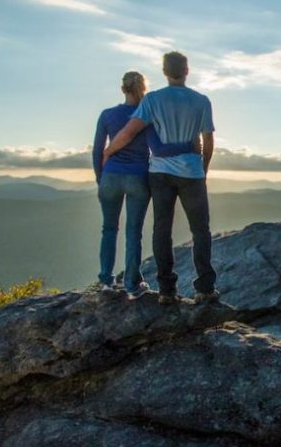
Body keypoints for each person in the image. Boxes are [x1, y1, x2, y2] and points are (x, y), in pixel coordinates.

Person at [103, 52, 218, 305]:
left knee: (162, 229)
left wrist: (108, 151)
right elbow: (208, 140)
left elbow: (128, 132)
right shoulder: (201, 101)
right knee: (200, 229)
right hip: (192, 172)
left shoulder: (153, 100)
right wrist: (204, 169)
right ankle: (205, 288)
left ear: (165, 72)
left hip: (160, 173)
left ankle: (167, 290)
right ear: (187, 71)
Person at [92, 71, 198, 299]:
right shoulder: (147, 116)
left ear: (123, 89)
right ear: (144, 89)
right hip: (138, 177)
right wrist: (187, 146)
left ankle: (106, 281)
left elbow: (97, 150)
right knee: (133, 232)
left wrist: (101, 179)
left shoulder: (107, 115)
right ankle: (131, 284)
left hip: (110, 177)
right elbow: (158, 149)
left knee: (109, 229)